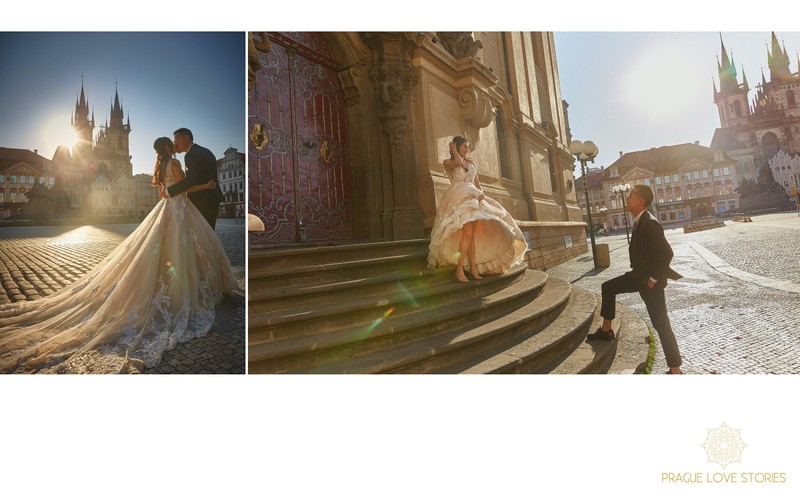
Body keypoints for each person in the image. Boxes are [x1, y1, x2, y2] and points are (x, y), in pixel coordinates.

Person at [0, 137, 238, 374]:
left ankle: (168, 283)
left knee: (165, 249)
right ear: (168, 147)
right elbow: (184, 187)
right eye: (172, 143)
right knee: (183, 248)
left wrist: (175, 191)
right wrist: (206, 187)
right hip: (180, 209)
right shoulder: (174, 164)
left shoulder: (159, 166)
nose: (175, 145)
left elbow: (164, 193)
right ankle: (183, 288)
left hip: (167, 209)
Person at [586, 185, 684, 374]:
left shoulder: (649, 222)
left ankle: (675, 370)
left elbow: (667, 253)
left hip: (650, 283)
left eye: (630, 196)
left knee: (661, 324)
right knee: (608, 287)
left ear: (640, 201)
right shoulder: (640, 220)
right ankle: (606, 331)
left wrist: (653, 279)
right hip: (638, 276)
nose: (627, 199)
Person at [428, 136, 528, 283]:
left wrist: (482, 198)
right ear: (456, 147)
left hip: (473, 198)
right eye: (464, 147)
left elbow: (476, 183)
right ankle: (459, 269)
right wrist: (453, 150)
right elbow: (458, 163)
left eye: (468, 147)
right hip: (459, 199)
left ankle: (474, 268)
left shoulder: (470, 163)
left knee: (471, 235)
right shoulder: (448, 162)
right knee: (467, 233)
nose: (467, 150)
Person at [161, 127, 224, 229]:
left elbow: (190, 181)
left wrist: (168, 191)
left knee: (202, 237)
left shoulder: (191, 155)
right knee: (209, 235)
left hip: (201, 201)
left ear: (186, 138)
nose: (175, 143)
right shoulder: (205, 151)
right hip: (212, 198)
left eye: (177, 139)